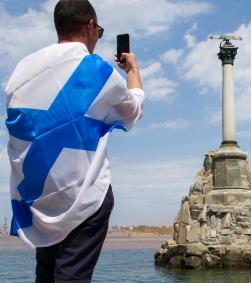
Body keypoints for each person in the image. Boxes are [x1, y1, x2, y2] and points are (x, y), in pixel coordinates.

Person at [4, 0, 144, 281]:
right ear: (90, 26)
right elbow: (133, 109)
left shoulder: (22, 70)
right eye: (99, 31)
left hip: (38, 201)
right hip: (83, 198)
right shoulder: (93, 69)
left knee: (45, 274)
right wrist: (132, 71)